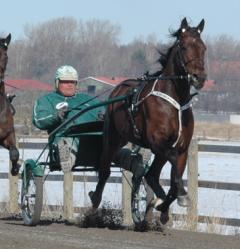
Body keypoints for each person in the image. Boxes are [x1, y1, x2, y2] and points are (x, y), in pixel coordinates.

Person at [32, 65, 103, 171]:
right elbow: (39, 120)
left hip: (95, 143)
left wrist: (105, 116)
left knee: (114, 145)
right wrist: (57, 116)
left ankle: (133, 163)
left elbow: (107, 112)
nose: (69, 85)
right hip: (65, 139)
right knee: (67, 140)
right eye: (65, 82)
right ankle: (66, 159)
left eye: (72, 82)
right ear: (57, 83)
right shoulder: (47, 100)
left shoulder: (90, 100)